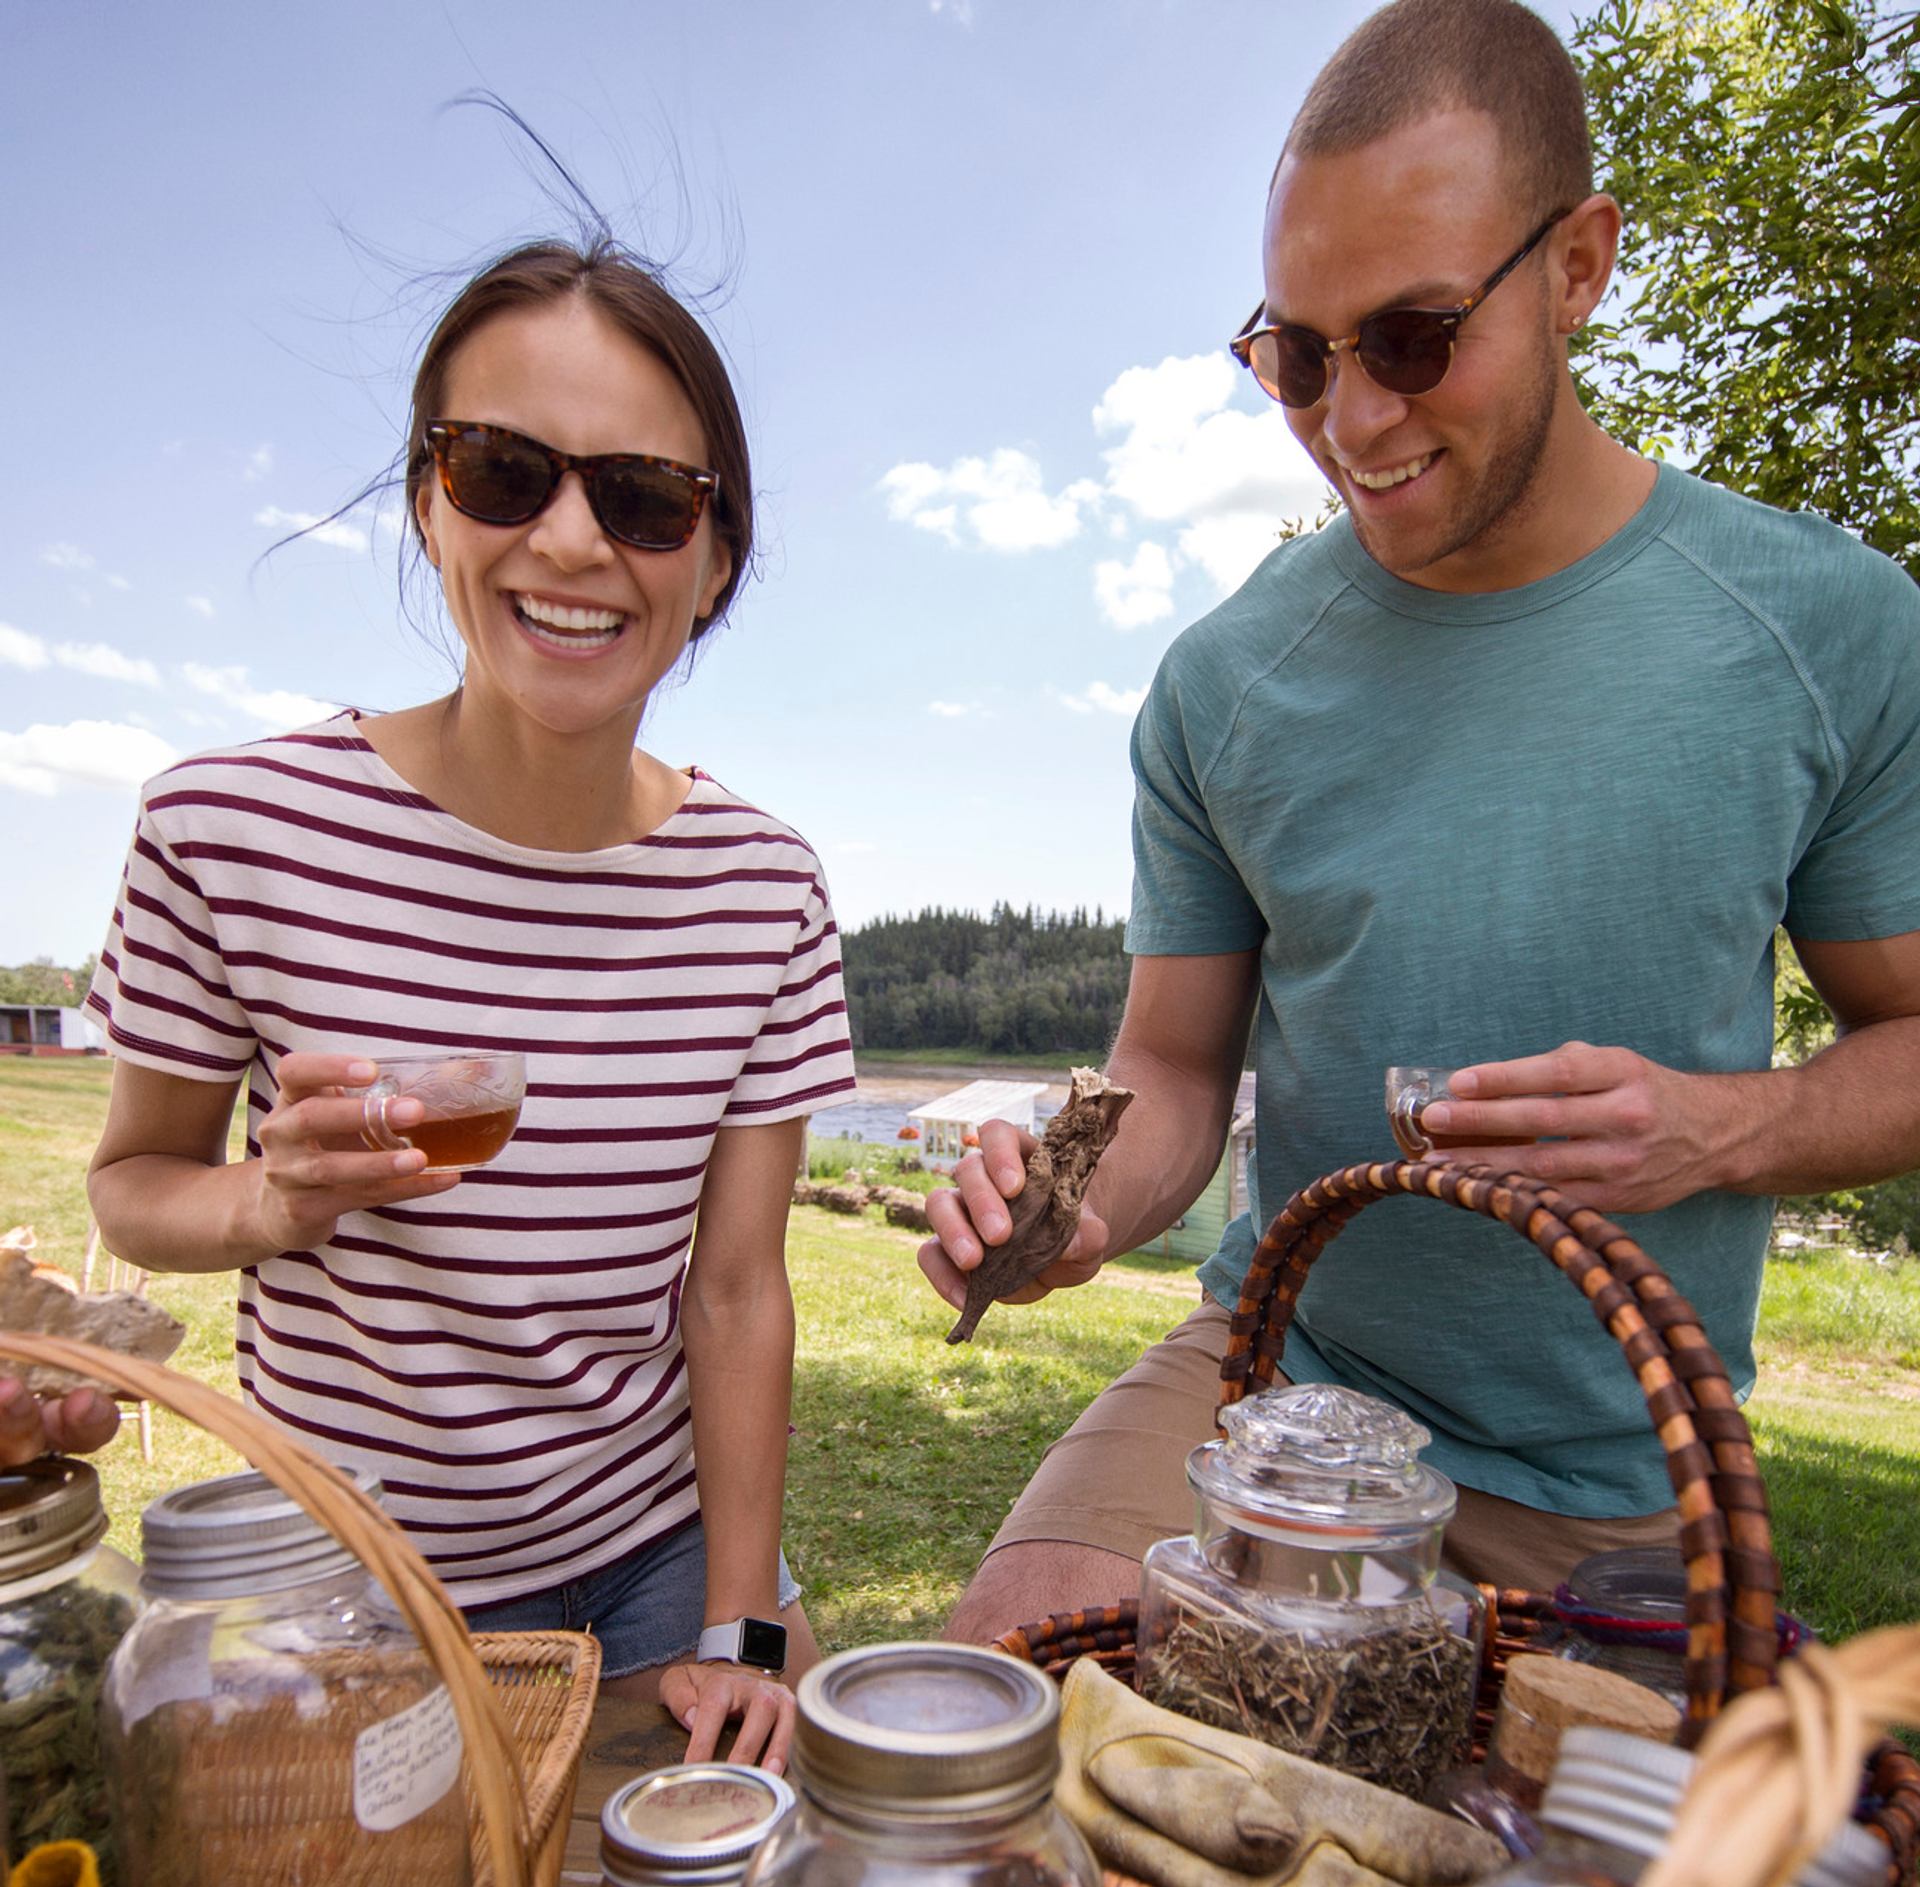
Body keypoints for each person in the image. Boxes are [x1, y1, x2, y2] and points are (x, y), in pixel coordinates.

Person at [924, 0, 1920, 1644]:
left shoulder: (1827, 631)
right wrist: (1082, 1203)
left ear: (1580, 266)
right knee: (1009, 1680)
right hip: (1281, 1391)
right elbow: (1174, 1063)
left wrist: (1723, 1128)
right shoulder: (1226, 683)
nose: (1352, 422)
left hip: (1624, 1477)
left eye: (1412, 337)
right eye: (1298, 357)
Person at [85, 238, 856, 1772]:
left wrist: (741, 1622)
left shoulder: (764, 887)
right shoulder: (227, 831)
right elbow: (132, 1187)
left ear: (715, 558)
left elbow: (739, 1289)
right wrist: (269, 1201)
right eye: (506, 471)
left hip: (654, 1572)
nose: (572, 542)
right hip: (348, 1586)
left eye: (644, 498)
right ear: (430, 503)